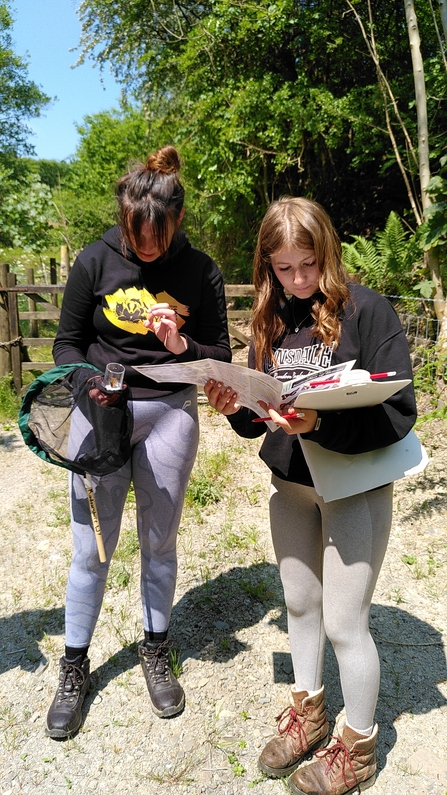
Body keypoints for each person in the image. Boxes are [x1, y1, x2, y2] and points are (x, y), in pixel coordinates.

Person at [204, 197, 416, 795]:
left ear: (329, 252)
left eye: (309, 265)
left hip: (353, 487)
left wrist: (320, 425)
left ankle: (358, 744)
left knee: (346, 623)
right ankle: (309, 712)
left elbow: (399, 414)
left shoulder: (368, 311)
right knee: (300, 605)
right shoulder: (272, 319)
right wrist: (235, 406)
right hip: (291, 488)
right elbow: (257, 419)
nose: (298, 280)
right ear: (268, 265)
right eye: (284, 268)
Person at [47, 145, 231, 739]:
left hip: (169, 414)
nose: (146, 248)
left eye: (159, 237)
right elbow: (66, 345)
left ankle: (155, 647)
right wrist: (86, 385)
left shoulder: (201, 271)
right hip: (99, 415)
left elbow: (221, 358)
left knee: (159, 541)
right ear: (124, 217)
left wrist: (184, 350)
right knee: (90, 551)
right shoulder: (94, 259)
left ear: (177, 220)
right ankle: (74, 666)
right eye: (136, 237)